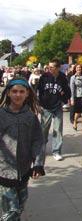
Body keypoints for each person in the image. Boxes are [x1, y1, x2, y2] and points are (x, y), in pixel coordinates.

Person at [0, 78, 45, 220]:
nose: (17, 95)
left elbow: (38, 141)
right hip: (4, 171)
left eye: (21, 91)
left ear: (27, 94)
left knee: (19, 206)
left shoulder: (31, 117)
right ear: (8, 93)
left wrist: (37, 164)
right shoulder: (1, 115)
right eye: (14, 91)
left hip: (24, 170)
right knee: (11, 211)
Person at [38, 59, 71, 161]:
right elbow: (39, 91)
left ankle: (56, 151)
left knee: (58, 130)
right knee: (43, 130)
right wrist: (39, 104)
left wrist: (64, 100)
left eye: (51, 67)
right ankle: (41, 150)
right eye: (48, 67)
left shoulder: (63, 78)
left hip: (57, 107)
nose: (49, 69)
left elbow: (67, 92)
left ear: (57, 68)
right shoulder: (44, 77)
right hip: (46, 107)